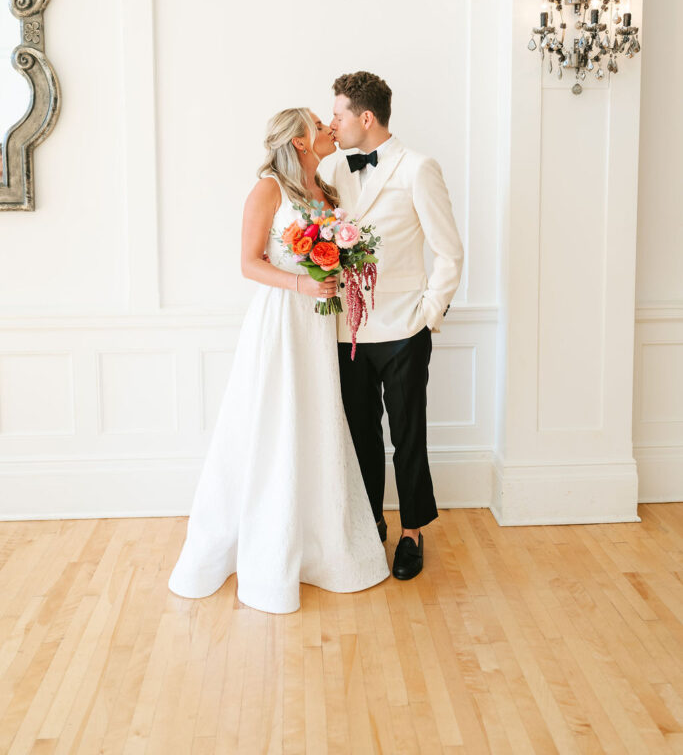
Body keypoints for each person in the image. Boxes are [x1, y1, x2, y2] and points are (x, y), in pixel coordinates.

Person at [168, 107, 389, 613]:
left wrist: (339, 270)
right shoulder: (267, 190)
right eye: (320, 123)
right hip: (280, 320)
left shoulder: (325, 192)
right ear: (298, 141)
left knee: (314, 419)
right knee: (273, 419)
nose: (330, 128)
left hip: (316, 323)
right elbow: (248, 263)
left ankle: (320, 543)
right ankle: (270, 544)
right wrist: (301, 282)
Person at [324, 71, 464, 581]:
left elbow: (449, 251)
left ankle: (412, 532)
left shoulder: (418, 167)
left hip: (405, 328)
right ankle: (368, 527)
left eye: (338, 113)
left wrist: (427, 315)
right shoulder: (329, 169)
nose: (332, 122)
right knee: (360, 435)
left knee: (409, 435)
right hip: (347, 331)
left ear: (366, 117)